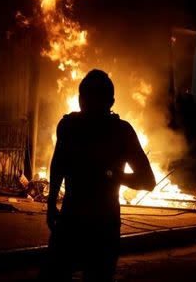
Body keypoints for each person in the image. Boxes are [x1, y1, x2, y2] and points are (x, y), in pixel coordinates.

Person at [41, 69, 156, 281]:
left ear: (109, 103)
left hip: (93, 225)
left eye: (95, 99)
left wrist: (112, 175)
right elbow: (59, 163)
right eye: (87, 99)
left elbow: (148, 181)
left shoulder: (116, 131)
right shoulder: (70, 126)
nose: (90, 106)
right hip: (81, 224)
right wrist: (50, 203)